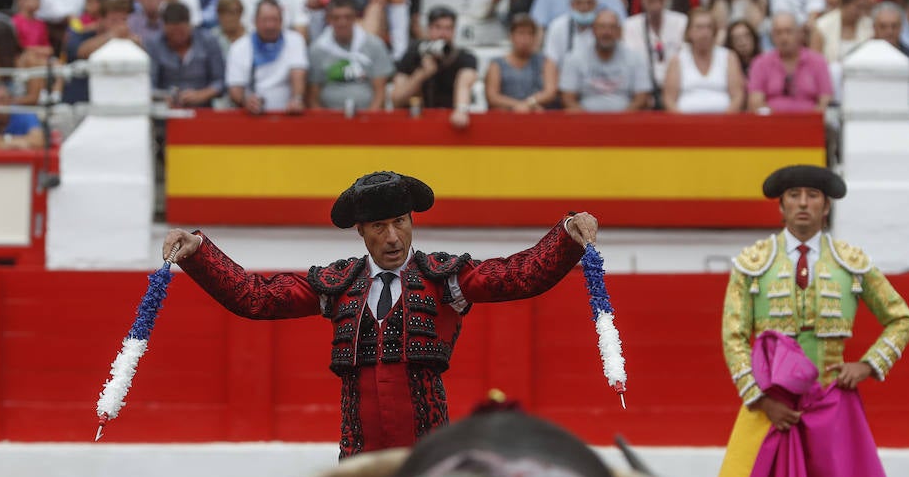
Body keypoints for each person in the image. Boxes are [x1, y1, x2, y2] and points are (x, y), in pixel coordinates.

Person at [160, 171, 599, 457]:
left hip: (426, 455)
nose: (393, 237)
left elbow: (518, 276)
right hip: (358, 455)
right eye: (379, 227)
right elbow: (255, 297)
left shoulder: (443, 277)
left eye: (401, 222)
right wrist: (200, 254)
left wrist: (566, 237)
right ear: (361, 231)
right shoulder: (338, 282)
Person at [675, 164, 909, 477]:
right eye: (794, 196)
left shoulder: (852, 263)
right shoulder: (752, 263)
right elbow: (734, 337)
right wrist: (761, 398)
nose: (803, 203)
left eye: (812, 195)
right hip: (767, 408)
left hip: (828, 406)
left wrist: (868, 365)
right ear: (782, 206)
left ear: (826, 206)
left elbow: (901, 318)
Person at [391, 6, 477, 129]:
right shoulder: (414, 52)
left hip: (449, 120)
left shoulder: (464, 57)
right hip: (416, 123)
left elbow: (464, 83)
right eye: (438, 27)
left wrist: (461, 110)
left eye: (448, 28)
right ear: (429, 28)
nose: (443, 34)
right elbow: (397, 100)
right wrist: (422, 74)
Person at [307, 0, 394, 111]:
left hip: (367, 117)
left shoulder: (374, 45)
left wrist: (368, 120)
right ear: (328, 19)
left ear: (355, 18)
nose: (342, 23)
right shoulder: (317, 50)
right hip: (329, 119)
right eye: (336, 18)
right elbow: (313, 97)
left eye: (347, 17)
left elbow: (380, 92)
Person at [559, 9, 654, 112]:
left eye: (612, 27)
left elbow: (642, 97)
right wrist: (588, 122)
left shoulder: (636, 57)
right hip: (584, 121)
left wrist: (620, 120)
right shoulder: (574, 58)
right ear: (593, 30)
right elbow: (568, 98)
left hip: (625, 121)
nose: (606, 32)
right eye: (602, 27)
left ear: (619, 31)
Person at [226, 0, 308, 113]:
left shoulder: (295, 40)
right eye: (265, 20)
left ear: (282, 21)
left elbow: (298, 74)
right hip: (252, 116)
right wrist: (246, 101)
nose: (270, 25)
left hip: (288, 114)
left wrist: (297, 99)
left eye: (275, 20)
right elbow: (235, 88)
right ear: (254, 21)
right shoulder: (239, 47)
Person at [747, 12, 835, 113]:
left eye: (788, 32)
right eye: (778, 33)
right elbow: (755, 102)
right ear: (772, 36)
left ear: (799, 34)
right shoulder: (760, 63)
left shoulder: (818, 62)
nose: (784, 38)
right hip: (771, 124)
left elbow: (826, 101)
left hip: (809, 124)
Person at [665, 8, 744, 113]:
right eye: (699, 27)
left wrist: (723, 122)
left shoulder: (729, 57)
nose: (705, 32)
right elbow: (669, 99)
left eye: (709, 27)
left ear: (714, 31)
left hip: (723, 123)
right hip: (685, 123)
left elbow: (737, 96)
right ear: (689, 32)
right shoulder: (677, 60)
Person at [148, 0, 226, 107]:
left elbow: (220, 81)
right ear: (164, 28)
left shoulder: (208, 41)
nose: (177, 37)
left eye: (181, 32)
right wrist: (162, 97)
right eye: (173, 33)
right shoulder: (154, 44)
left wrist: (202, 95)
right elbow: (150, 83)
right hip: (166, 109)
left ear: (190, 25)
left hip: (203, 108)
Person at [624, 0, 686, 103]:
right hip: (643, 92)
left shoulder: (682, 22)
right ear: (642, 0)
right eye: (651, 0)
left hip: (677, 89)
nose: (656, 4)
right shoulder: (629, 26)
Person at [485, 13, 558, 112]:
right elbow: (492, 97)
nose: (525, 39)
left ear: (535, 37)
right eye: (521, 33)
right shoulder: (497, 64)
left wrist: (530, 103)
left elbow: (550, 92)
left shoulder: (546, 62)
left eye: (530, 34)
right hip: (506, 117)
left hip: (538, 117)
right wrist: (519, 106)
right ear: (511, 36)